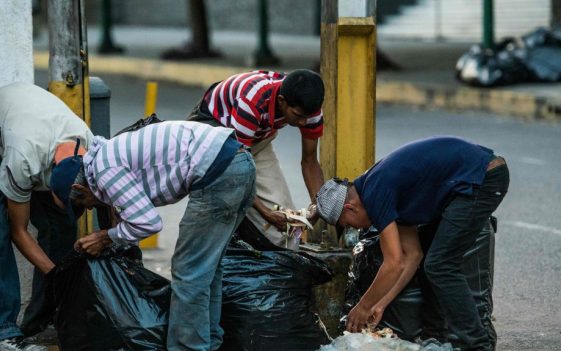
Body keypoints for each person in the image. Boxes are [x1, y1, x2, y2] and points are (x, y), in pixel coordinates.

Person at [49, 121, 256, 351]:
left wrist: (106, 237)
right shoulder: (104, 157)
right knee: (208, 269)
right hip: (240, 162)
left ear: (79, 189)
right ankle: (210, 342)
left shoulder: (104, 171)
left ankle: (188, 348)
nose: (88, 209)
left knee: (189, 271)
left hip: (220, 171)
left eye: (82, 204)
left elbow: (147, 223)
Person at [315, 136, 509, 351]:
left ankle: (477, 345)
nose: (353, 228)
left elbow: (393, 263)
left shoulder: (375, 191)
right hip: (472, 180)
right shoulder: (376, 189)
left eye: (347, 224)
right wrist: (380, 303)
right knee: (432, 261)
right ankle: (437, 338)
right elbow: (412, 255)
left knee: (441, 265)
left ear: (350, 207)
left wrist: (363, 307)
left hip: (484, 177)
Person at [0, 82, 94, 351]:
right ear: (49, 185)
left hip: (30, 128)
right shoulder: (23, 160)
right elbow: (18, 231)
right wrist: (56, 274)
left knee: (62, 224)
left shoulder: (88, 146)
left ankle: (41, 320)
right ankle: (2, 332)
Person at [188, 69, 325, 249]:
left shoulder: (309, 110)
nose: (304, 123)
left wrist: (318, 205)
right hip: (215, 137)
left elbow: (310, 161)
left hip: (253, 141)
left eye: (308, 117)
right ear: (282, 101)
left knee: (288, 233)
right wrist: (266, 213)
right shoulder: (252, 100)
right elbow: (236, 167)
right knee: (222, 211)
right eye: (298, 116)